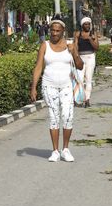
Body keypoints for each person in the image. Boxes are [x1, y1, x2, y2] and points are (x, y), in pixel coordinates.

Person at [30, 15, 83, 162]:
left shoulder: (70, 45)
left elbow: (80, 66)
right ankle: (55, 151)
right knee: (54, 117)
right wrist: (33, 87)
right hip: (49, 85)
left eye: (57, 31)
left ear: (63, 31)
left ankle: (65, 149)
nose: (54, 33)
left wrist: (74, 52)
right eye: (52, 30)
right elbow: (38, 67)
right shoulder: (45, 45)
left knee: (67, 116)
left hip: (67, 85)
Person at [75, 16, 99, 107]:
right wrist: (76, 56)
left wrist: (90, 39)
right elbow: (75, 46)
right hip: (81, 57)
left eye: (89, 24)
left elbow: (96, 47)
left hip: (90, 57)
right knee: (79, 79)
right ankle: (79, 99)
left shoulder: (93, 34)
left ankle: (87, 99)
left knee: (88, 79)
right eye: (85, 24)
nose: (87, 26)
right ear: (82, 25)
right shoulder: (78, 34)